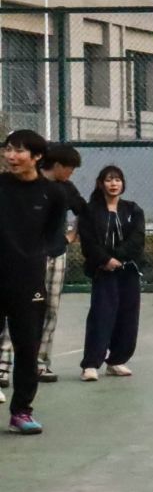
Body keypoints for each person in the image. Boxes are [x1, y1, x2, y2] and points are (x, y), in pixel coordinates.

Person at [0, 131, 70, 434]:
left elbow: (52, 234)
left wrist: (33, 256)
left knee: (27, 349)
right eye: (7, 150)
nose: (11, 156)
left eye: (19, 151)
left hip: (28, 281)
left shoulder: (53, 194)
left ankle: (21, 412)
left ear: (37, 156)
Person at [5, 144, 89, 388]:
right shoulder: (24, 185)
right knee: (14, 309)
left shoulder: (66, 188)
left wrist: (71, 236)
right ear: (58, 165)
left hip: (55, 255)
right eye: (70, 168)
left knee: (49, 308)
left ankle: (40, 362)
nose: (72, 173)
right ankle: (3, 364)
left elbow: (84, 211)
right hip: (23, 259)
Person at [79, 166, 144, 381]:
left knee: (128, 316)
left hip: (128, 270)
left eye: (117, 180)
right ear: (101, 183)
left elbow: (137, 239)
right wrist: (105, 260)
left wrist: (119, 258)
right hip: (103, 271)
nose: (113, 184)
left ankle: (117, 360)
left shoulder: (133, 209)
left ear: (123, 183)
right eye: (109, 180)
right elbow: (88, 242)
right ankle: (91, 364)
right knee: (101, 315)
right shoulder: (90, 211)